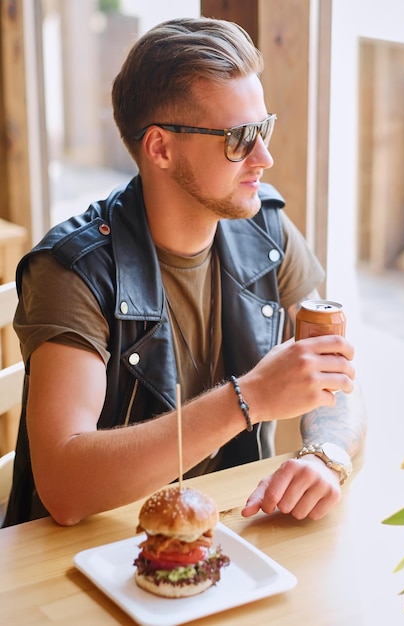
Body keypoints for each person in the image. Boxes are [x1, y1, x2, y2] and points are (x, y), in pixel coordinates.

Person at [3, 16, 366, 528]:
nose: (264, 157)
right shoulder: (74, 270)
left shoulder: (266, 230)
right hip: (87, 562)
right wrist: (251, 398)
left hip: (227, 536)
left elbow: (335, 375)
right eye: (240, 137)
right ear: (160, 148)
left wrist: (326, 454)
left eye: (264, 128)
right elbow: (64, 486)